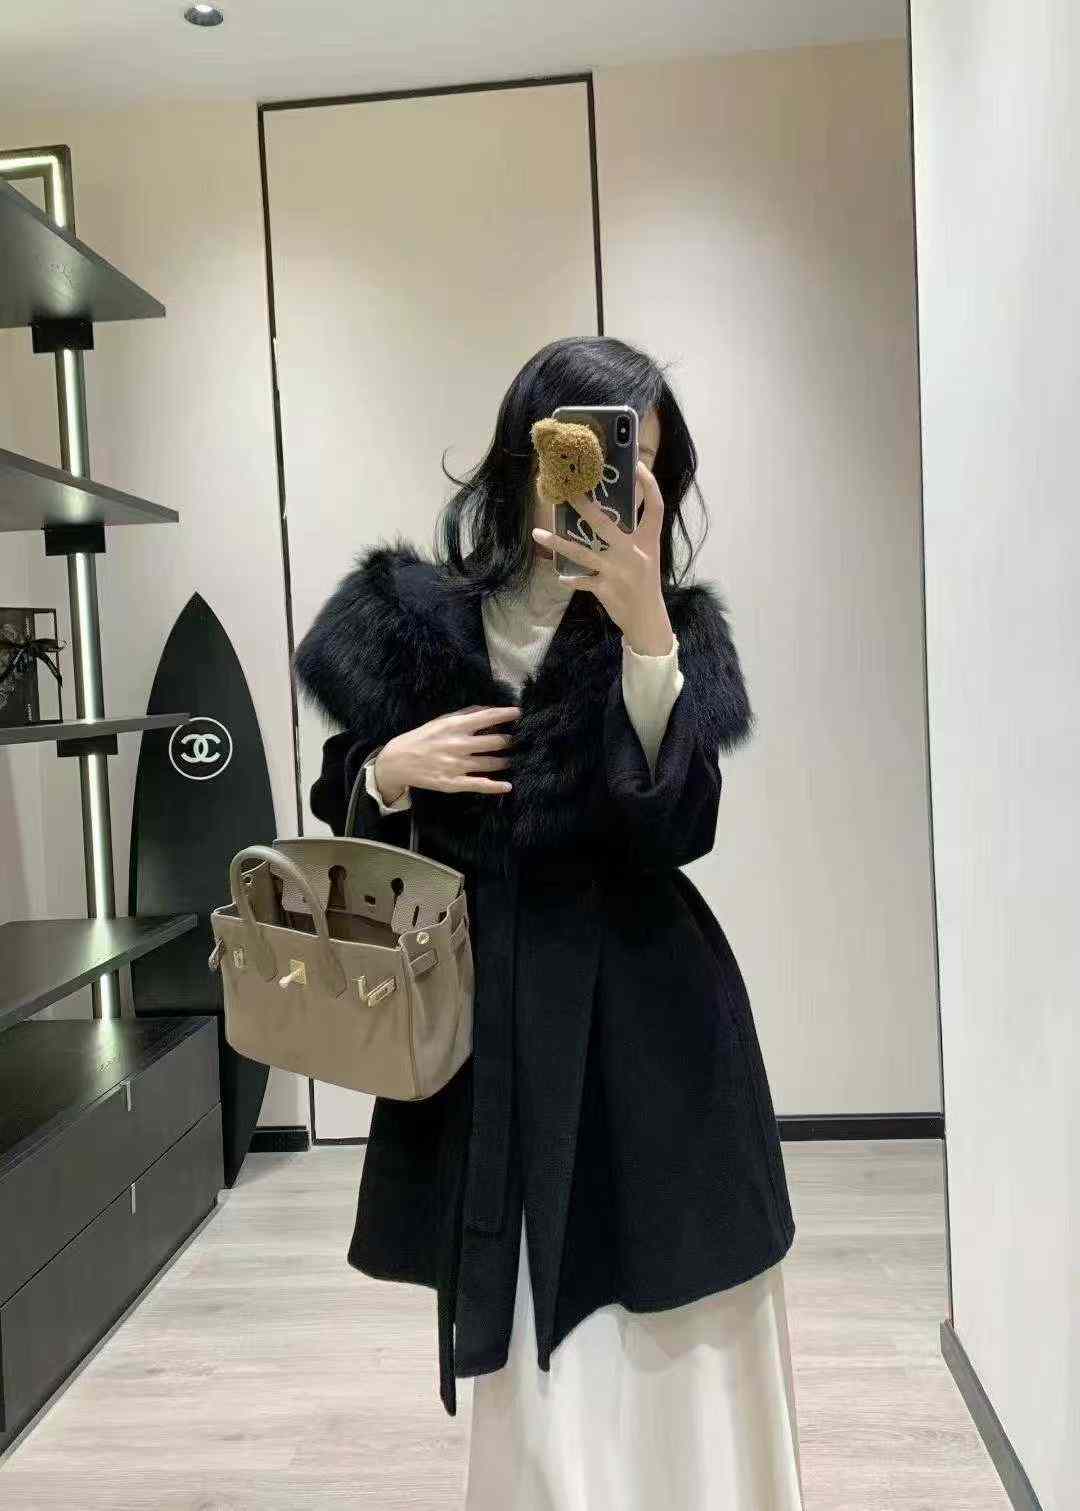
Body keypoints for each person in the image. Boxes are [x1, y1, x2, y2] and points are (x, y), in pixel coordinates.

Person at [292, 335, 804, 1509]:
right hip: (494, 1027)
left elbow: (681, 823)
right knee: (531, 1324)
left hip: (649, 1025)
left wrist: (645, 632)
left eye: (645, 465)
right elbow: (345, 805)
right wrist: (388, 769)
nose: (620, 487)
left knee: (678, 1308)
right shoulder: (415, 620)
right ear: (531, 454)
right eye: (600, 455)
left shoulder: (670, 629)